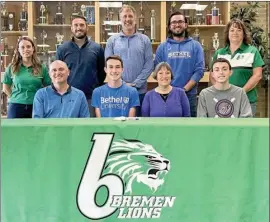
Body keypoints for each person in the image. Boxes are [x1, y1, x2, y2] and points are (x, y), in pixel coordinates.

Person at [105, 5, 153, 116]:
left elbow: (149, 64)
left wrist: (135, 84)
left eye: (130, 16)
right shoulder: (112, 40)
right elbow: (109, 66)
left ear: (135, 18)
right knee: (119, 126)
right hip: (117, 93)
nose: (127, 19)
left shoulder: (144, 40)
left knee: (139, 127)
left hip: (140, 92)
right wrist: (122, 83)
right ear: (120, 19)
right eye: (124, 16)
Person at [154, 11, 205, 117]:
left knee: (189, 128)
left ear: (186, 25)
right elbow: (158, 70)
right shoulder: (162, 47)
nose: (177, 24)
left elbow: (199, 70)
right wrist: (170, 90)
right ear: (169, 26)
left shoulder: (196, 46)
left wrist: (184, 89)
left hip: (189, 95)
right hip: (167, 94)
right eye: (174, 22)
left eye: (180, 21)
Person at [212, 18, 264, 117]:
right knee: (226, 131)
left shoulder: (252, 51)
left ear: (244, 34)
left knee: (245, 131)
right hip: (224, 100)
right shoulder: (219, 53)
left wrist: (240, 92)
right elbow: (213, 76)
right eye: (232, 30)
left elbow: (257, 75)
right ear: (227, 34)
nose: (235, 33)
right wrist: (221, 91)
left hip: (246, 100)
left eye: (239, 30)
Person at [56, 15, 106, 117]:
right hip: (67, 97)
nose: (79, 28)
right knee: (69, 129)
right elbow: (57, 72)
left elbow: (102, 72)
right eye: (76, 25)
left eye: (82, 25)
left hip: (90, 97)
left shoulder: (97, 48)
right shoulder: (62, 49)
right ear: (71, 28)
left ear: (87, 28)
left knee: (89, 129)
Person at [2, 36, 51, 118]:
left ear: (33, 49)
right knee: (14, 130)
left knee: (36, 130)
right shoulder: (12, 67)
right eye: (22, 47)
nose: (26, 49)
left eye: (28, 46)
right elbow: (5, 88)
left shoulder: (41, 68)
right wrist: (16, 98)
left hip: (36, 105)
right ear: (18, 50)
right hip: (16, 106)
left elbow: (48, 87)